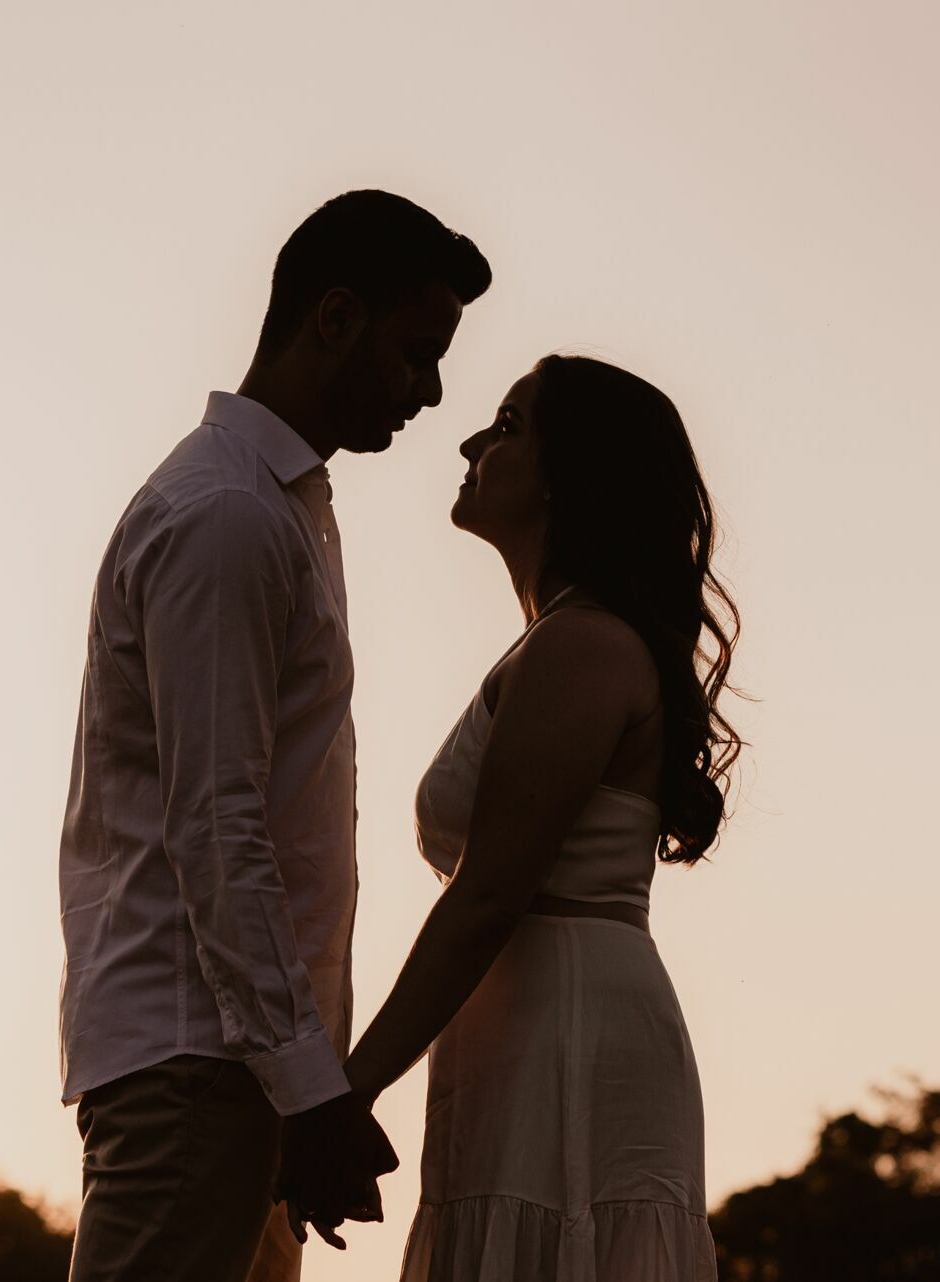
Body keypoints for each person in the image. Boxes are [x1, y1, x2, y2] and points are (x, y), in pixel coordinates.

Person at [56, 189, 491, 1282]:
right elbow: (217, 821)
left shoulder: (281, 507)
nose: (432, 393)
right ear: (334, 318)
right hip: (198, 1061)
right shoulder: (229, 517)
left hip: (236, 1064)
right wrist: (312, 1088)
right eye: (415, 352)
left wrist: (303, 1085)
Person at [284, 353, 742, 1279]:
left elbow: (489, 895)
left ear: (572, 475)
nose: (471, 440)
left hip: (568, 1029)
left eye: (508, 425)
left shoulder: (581, 645)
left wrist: (343, 1096)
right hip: (520, 1021)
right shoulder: (556, 639)